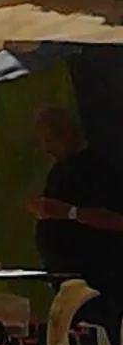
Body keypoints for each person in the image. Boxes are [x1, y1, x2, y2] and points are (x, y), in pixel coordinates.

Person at [28, 105, 123, 307]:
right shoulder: (59, 170)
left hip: (102, 280)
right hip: (69, 284)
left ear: (68, 133)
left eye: (49, 140)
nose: (47, 148)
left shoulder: (100, 168)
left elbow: (116, 219)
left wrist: (68, 212)